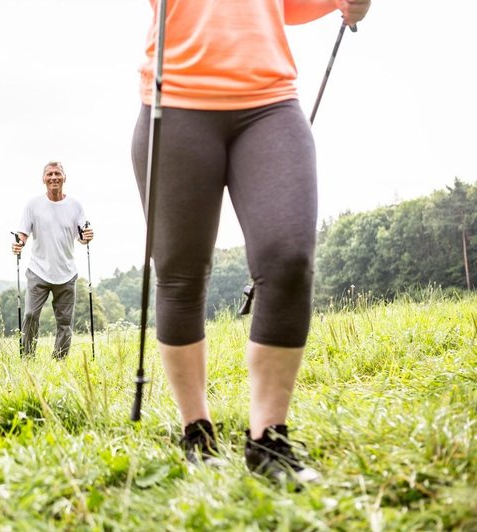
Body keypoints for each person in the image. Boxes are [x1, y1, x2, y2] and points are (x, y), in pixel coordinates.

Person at [131, 0, 371, 483]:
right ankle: (196, 433)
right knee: (179, 275)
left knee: (289, 258)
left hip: (270, 103)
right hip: (176, 101)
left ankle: (269, 441)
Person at [12, 161, 94, 359]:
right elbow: (23, 232)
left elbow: (83, 236)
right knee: (31, 315)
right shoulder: (33, 204)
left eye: (57, 173)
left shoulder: (75, 205)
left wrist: (87, 236)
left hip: (66, 273)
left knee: (65, 323)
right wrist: (19, 243)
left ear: (64, 177)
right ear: (43, 179)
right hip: (38, 272)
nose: (54, 177)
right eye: (49, 174)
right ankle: (27, 359)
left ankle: (59, 362)